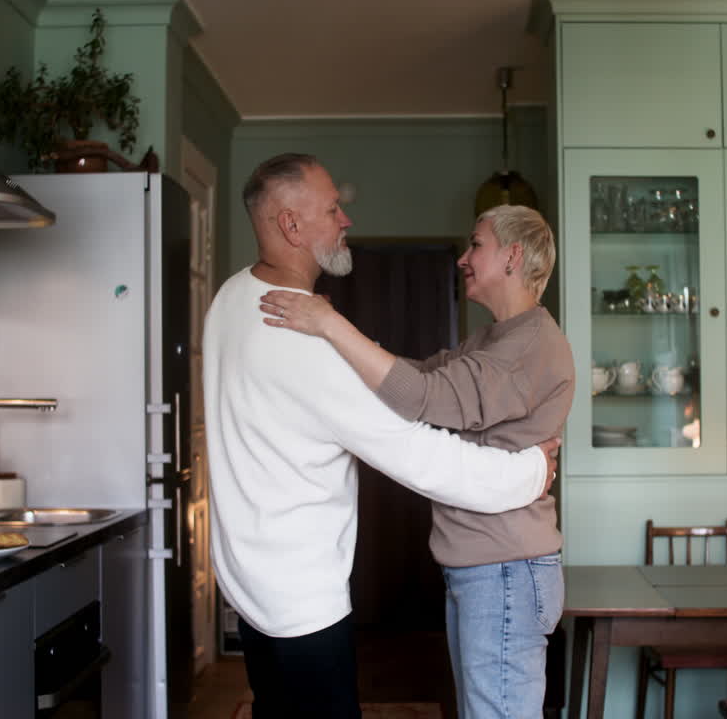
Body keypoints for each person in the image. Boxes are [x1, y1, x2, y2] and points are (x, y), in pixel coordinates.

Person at [202, 153, 561, 719]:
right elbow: (421, 453)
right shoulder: (301, 342)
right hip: (302, 603)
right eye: (332, 208)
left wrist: (333, 325)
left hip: (251, 589)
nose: (346, 219)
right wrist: (532, 472)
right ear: (292, 225)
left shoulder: (229, 298)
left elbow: (425, 386)